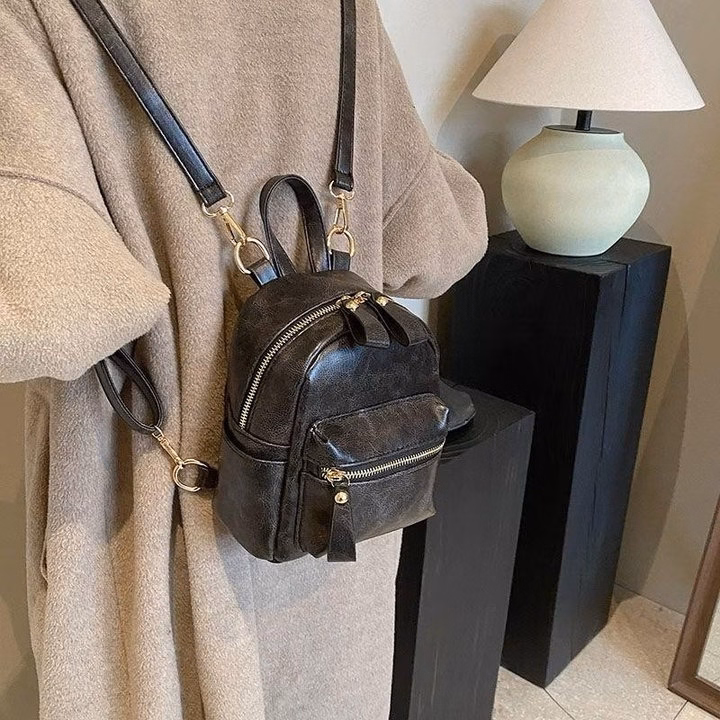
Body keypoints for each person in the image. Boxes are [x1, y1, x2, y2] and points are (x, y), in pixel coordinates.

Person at [0, 0, 488, 717]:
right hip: (336, 513)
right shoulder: (347, 8)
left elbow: (51, 317)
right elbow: (435, 241)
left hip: (159, 508)